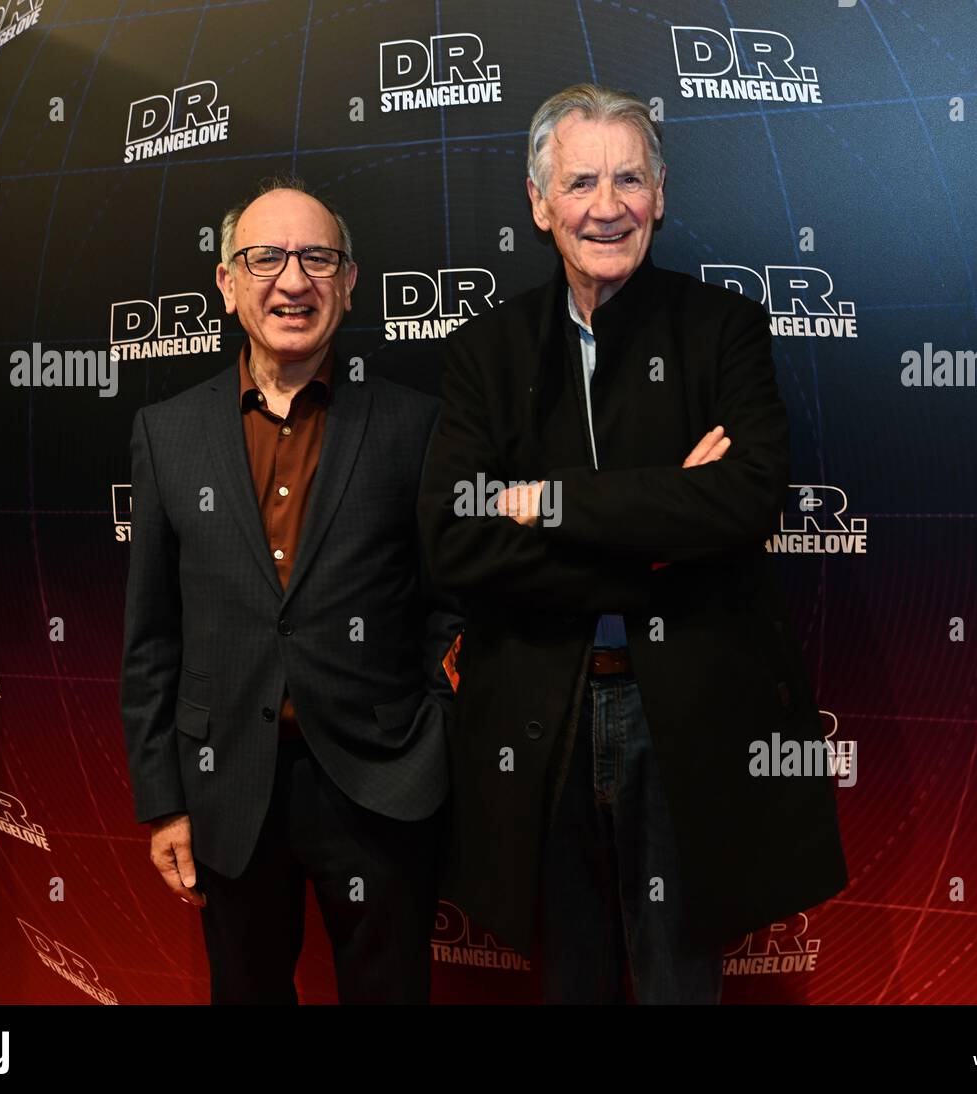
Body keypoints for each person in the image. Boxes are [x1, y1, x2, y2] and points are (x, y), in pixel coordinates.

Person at [419, 84, 847, 1004]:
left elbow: (742, 505)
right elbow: (455, 539)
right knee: (570, 979)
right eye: (579, 182)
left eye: (629, 179)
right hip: (541, 716)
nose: (605, 207)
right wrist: (662, 523)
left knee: (679, 984)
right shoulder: (484, 351)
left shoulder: (724, 329)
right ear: (539, 204)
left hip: (688, 714)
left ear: (660, 194)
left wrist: (545, 501)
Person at [121, 176, 457, 1004]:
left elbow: (451, 606)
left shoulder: (416, 427)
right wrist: (164, 801)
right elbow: (152, 635)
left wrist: (434, 740)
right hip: (225, 783)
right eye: (265, 258)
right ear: (228, 284)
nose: (293, 281)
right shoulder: (166, 435)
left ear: (348, 283)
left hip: (381, 785)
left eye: (317, 258)